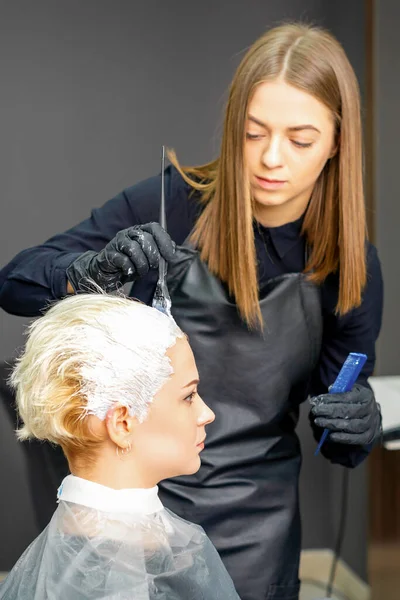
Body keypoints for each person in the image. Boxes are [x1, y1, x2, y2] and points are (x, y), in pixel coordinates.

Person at [0, 22, 383, 600]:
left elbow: (336, 433)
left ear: (337, 141)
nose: (271, 159)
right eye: (254, 133)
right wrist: (87, 273)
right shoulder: (177, 204)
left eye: (300, 139)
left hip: (260, 524)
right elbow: (14, 281)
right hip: (145, 516)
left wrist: (358, 424)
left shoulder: (351, 267)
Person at [0, 293, 240, 600]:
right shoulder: (115, 573)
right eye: (189, 396)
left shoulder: (69, 553)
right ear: (123, 424)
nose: (207, 414)